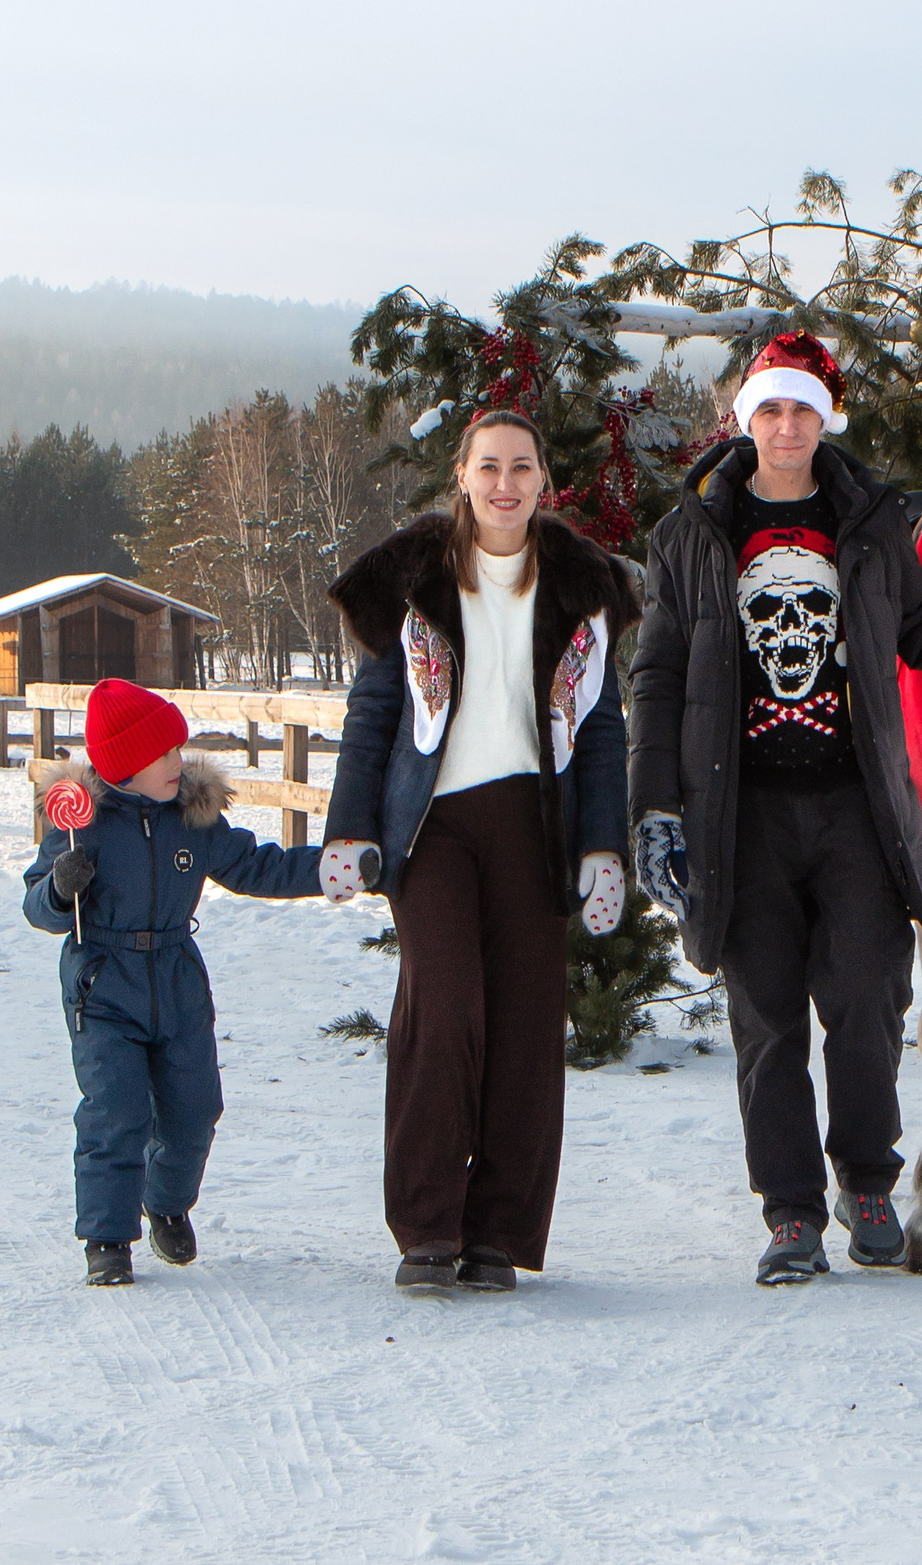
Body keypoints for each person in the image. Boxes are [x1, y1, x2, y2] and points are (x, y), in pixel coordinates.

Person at [626, 333, 922, 1285]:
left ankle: (868, 1180)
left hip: (856, 810)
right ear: (745, 419)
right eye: (770, 409)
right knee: (766, 1022)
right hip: (743, 815)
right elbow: (657, 675)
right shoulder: (693, 535)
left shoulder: (869, 522)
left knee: (871, 1003)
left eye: (803, 409)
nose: (787, 426)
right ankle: (792, 1214)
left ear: (824, 418)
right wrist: (655, 811)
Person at [321, 409, 641, 1293]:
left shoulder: (582, 585)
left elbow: (603, 728)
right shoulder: (415, 575)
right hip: (436, 827)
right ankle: (426, 1227)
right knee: (446, 1005)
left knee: (528, 1024)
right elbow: (374, 712)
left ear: (545, 481)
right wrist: (350, 826)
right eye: (489, 466)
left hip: (535, 824)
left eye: (523, 467)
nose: (506, 483)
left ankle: (497, 1231)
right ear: (461, 474)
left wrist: (603, 846)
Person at [24, 677, 328, 1287]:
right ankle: (107, 1238)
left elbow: (257, 864)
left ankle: (163, 1200)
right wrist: (61, 887)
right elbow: (37, 907)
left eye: (177, 748)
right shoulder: (83, 826)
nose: (177, 761)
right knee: (117, 1109)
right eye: (163, 753)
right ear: (125, 765)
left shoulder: (192, 818)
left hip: (178, 980)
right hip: (104, 983)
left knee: (195, 1110)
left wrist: (332, 869)